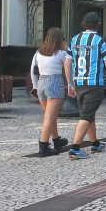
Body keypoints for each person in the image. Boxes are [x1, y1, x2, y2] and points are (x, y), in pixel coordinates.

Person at [64, 12, 106, 159]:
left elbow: (67, 63)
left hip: (79, 83)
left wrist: (70, 84)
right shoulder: (100, 41)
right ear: (98, 25)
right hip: (94, 83)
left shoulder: (74, 40)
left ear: (83, 23)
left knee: (88, 114)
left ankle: (95, 143)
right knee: (86, 115)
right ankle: (75, 148)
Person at [29, 27, 69, 157]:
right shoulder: (61, 54)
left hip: (41, 82)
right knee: (50, 117)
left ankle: (56, 140)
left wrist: (35, 86)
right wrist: (68, 50)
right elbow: (70, 67)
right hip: (55, 82)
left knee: (50, 115)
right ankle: (44, 145)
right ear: (60, 40)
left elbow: (32, 70)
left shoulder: (38, 53)